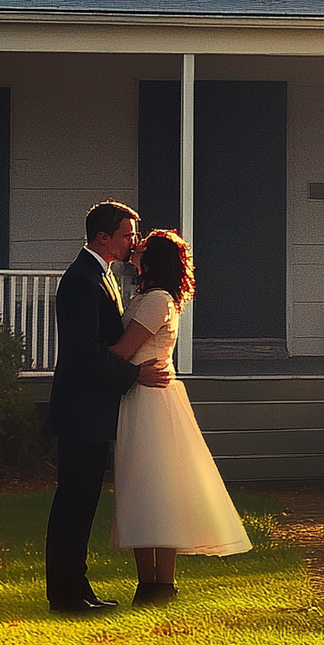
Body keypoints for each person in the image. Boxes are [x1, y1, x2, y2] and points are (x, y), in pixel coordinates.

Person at [107, 229, 250, 604]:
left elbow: (123, 351)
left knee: (157, 486)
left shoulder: (157, 300)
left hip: (151, 399)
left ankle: (161, 584)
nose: (134, 247)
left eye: (141, 246)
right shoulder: (145, 296)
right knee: (139, 486)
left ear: (152, 260)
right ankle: (149, 584)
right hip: (139, 394)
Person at [43, 201, 170, 614]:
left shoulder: (103, 275)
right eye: (127, 234)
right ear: (103, 237)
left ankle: (77, 589)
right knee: (74, 502)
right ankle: (65, 594)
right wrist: (133, 376)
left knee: (83, 503)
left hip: (93, 408)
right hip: (81, 409)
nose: (133, 241)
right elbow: (83, 351)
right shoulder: (82, 279)